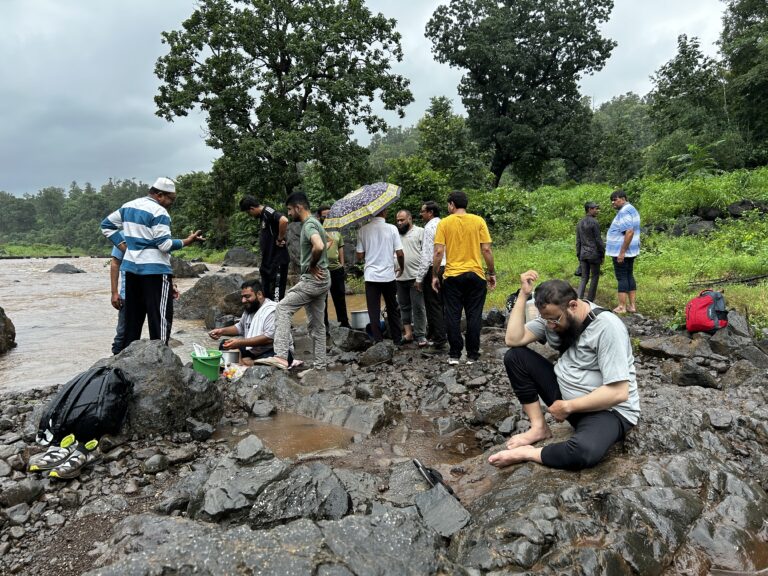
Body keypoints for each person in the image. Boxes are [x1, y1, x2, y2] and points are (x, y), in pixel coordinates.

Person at [489, 271, 640, 471]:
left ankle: (529, 453)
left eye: (554, 320)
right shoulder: (553, 318)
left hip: (607, 411)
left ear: (573, 306)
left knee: (584, 452)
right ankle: (538, 428)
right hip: (565, 399)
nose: (550, 325)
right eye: (546, 320)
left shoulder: (607, 328)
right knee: (515, 357)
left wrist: (569, 406)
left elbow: (619, 392)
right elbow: (513, 339)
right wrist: (523, 295)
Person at [101, 177, 204, 348]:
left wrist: (122, 245)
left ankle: (127, 358)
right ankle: (161, 355)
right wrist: (188, 240)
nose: (171, 203)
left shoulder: (128, 206)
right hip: (155, 272)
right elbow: (164, 244)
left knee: (133, 319)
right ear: (160, 195)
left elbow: (106, 225)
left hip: (131, 270)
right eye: (171, 198)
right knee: (160, 318)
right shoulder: (159, 212)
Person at [255, 192, 329, 373]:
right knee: (318, 326)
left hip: (313, 279)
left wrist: (312, 264)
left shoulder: (309, 225)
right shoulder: (317, 223)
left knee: (282, 308)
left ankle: (280, 356)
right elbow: (326, 243)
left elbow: (319, 246)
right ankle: (320, 366)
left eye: (289, 209)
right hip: (324, 278)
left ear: (298, 207)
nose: (288, 213)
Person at [431, 191, 495, 365]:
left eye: (448, 205)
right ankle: (472, 355)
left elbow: (438, 252)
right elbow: (487, 250)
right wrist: (491, 272)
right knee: (474, 315)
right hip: (475, 275)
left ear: (452, 204)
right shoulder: (478, 221)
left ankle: (454, 354)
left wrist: (435, 275)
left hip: (452, 276)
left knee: (452, 315)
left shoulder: (444, 223)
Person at [208, 279, 295, 366]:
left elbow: (269, 338)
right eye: (242, 297)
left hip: (273, 351)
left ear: (259, 294)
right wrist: (221, 331)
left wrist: (240, 342)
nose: (243, 300)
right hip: (254, 350)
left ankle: (243, 364)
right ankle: (245, 363)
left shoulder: (272, 310)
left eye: (247, 296)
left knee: (265, 363)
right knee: (224, 345)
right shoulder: (250, 309)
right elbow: (239, 327)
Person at [356, 208, 404, 343]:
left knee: (373, 310)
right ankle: (397, 339)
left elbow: (359, 256)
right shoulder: (392, 228)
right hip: (388, 275)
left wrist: (369, 249)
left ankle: (378, 340)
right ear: (385, 212)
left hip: (371, 276)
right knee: (392, 307)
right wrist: (402, 267)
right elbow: (400, 253)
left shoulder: (363, 230)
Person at [239, 195, 290, 301]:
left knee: (277, 297)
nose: (250, 215)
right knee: (266, 295)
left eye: (249, 213)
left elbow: (284, 220)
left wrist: (280, 239)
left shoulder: (268, 212)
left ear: (252, 208)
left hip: (277, 261)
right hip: (268, 262)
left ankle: (277, 317)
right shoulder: (263, 216)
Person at [415, 200, 447, 351]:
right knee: (443, 303)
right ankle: (436, 334)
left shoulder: (429, 228)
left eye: (423, 211)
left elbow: (428, 255)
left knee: (433, 304)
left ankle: (440, 339)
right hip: (448, 267)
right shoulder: (445, 223)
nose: (421, 214)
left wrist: (419, 278)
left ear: (430, 213)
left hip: (434, 268)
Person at [395, 209, 427, 346]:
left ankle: (420, 334)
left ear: (410, 219)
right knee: (404, 306)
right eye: (397, 220)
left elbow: (426, 252)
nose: (399, 223)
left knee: (418, 306)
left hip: (416, 276)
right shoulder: (395, 234)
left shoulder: (420, 232)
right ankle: (408, 334)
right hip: (399, 277)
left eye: (402, 220)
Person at [606, 189, 641, 314]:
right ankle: (632, 306)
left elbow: (629, 232)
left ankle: (622, 306)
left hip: (622, 252)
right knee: (628, 275)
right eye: (612, 201)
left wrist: (621, 252)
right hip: (630, 251)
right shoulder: (631, 209)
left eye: (615, 200)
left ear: (623, 198)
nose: (613, 203)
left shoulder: (625, 211)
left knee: (622, 277)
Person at [317, 206, 350, 330]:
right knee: (322, 300)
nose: (326, 218)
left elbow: (340, 248)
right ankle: (324, 326)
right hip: (322, 270)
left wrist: (342, 264)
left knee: (340, 297)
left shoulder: (337, 231)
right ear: (319, 217)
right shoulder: (317, 231)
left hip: (336, 270)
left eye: (328, 215)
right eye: (324, 216)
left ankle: (344, 322)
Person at [575, 201, 605, 302]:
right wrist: (602, 254)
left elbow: (578, 241)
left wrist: (579, 255)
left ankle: (579, 298)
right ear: (589, 209)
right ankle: (590, 300)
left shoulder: (580, 223)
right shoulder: (594, 222)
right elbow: (598, 240)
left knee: (584, 277)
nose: (597, 210)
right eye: (595, 208)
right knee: (595, 276)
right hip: (594, 254)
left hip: (583, 254)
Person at [109, 245, 127, 355]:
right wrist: (114, 292)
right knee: (123, 333)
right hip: (128, 294)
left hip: (151, 293)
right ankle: (115, 360)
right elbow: (115, 263)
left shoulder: (155, 231)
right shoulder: (123, 236)